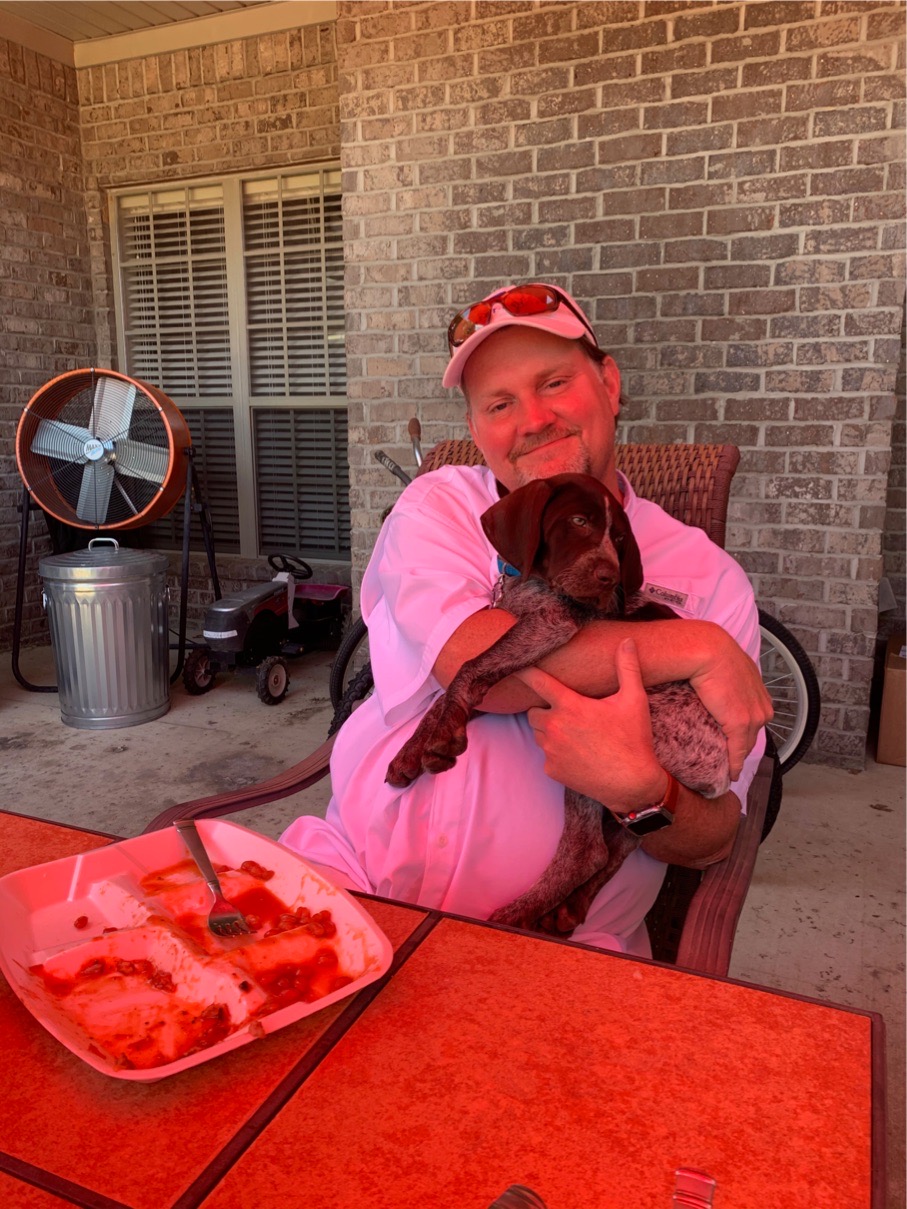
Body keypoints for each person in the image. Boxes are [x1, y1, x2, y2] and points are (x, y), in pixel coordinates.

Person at [280, 283, 772, 956]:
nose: (533, 420)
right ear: (476, 429)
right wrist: (696, 648)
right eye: (499, 404)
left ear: (609, 383)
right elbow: (474, 662)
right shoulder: (442, 507)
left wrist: (646, 794)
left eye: (554, 383)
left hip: (566, 944)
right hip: (353, 882)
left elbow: (713, 833)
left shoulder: (707, 576)